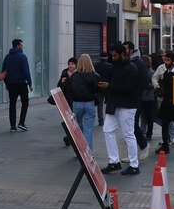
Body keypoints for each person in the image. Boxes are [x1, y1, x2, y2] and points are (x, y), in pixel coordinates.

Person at [100, 45, 141, 175]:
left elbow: (128, 89)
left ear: (122, 54)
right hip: (115, 104)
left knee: (128, 134)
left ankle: (134, 165)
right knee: (107, 130)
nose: (113, 58)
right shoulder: (117, 67)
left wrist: (109, 86)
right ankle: (114, 162)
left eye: (115, 55)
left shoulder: (131, 68)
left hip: (127, 106)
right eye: (112, 55)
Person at [67, 54, 103, 151]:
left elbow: (69, 89)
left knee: (78, 128)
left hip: (77, 103)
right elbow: (98, 90)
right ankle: (88, 153)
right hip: (89, 103)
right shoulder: (95, 75)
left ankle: (79, 151)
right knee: (88, 130)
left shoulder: (74, 76)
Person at [1, 39, 33, 132]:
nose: (22, 47)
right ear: (18, 46)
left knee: (12, 104)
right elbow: (26, 72)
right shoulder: (23, 57)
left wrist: (6, 83)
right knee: (25, 103)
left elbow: (4, 72)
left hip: (11, 84)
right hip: (22, 84)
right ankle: (21, 123)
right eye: (22, 45)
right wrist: (30, 84)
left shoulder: (7, 57)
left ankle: (12, 126)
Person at [154, 52, 174, 153]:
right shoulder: (166, 73)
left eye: (168, 60)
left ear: (173, 61)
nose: (166, 62)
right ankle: (165, 145)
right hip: (167, 104)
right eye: (165, 60)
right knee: (165, 124)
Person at [138, 55, 156, 142]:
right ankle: (143, 132)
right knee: (143, 116)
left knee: (149, 117)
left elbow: (153, 84)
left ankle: (149, 134)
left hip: (148, 97)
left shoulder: (150, 72)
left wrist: (144, 85)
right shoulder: (142, 71)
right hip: (142, 97)